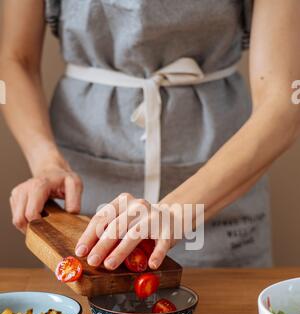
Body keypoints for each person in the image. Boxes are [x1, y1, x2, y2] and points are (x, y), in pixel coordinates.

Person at [1, 0, 300, 271]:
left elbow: (285, 103)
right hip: (85, 194)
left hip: (221, 190)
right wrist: (46, 161)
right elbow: (14, 60)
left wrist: (174, 212)